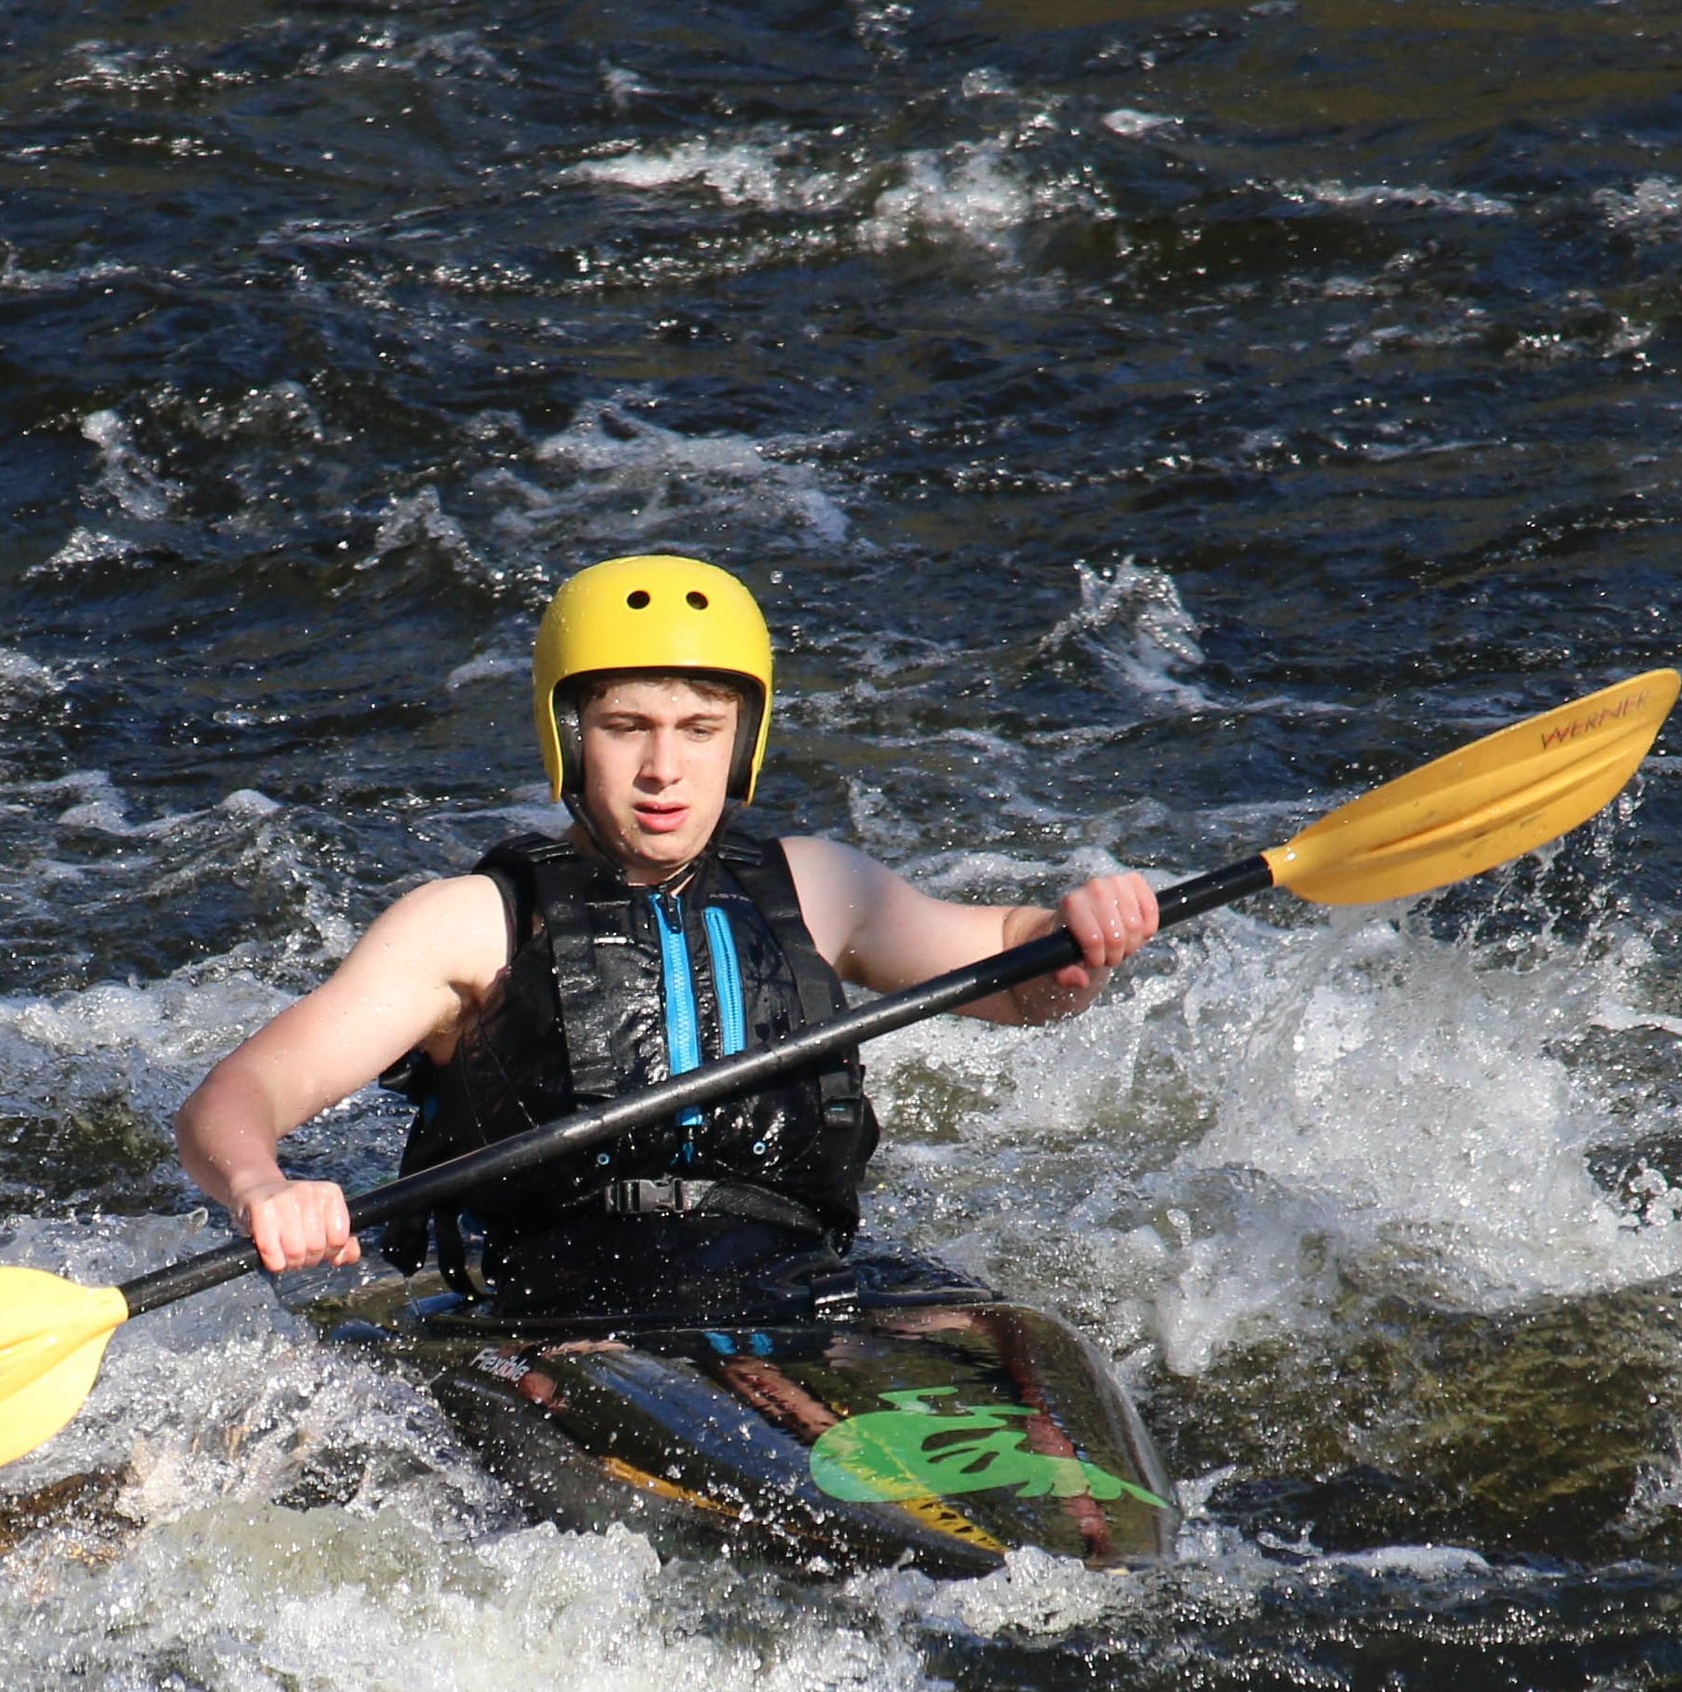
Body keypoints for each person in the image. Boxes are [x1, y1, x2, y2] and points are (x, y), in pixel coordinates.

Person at [172, 553, 1165, 1312]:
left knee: (982, 1323)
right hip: (551, 1306)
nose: (663, 768)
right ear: (567, 736)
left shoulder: (816, 888)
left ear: (742, 740)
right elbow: (236, 1095)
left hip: (794, 1281)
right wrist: (265, 1186)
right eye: (624, 726)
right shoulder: (472, 925)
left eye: (698, 729)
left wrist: (1073, 935)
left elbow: (1016, 972)